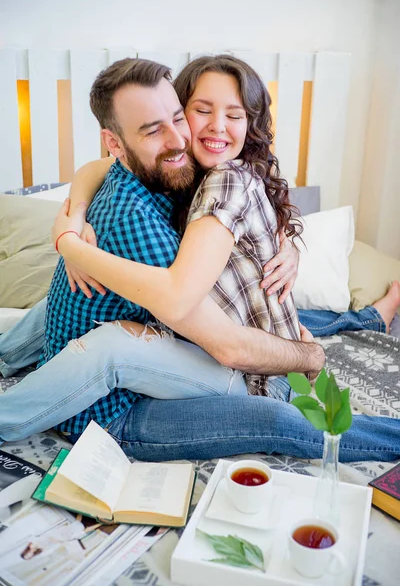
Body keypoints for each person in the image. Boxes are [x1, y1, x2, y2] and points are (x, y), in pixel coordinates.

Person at [0, 57, 398, 463]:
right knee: (274, 411)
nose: (181, 137)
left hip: (210, 333)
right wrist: (71, 244)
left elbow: (96, 168)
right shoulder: (140, 212)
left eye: (177, 118)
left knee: (282, 311)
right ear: (115, 141)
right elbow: (221, 340)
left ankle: (367, 317)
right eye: (200, 112)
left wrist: (289, 245)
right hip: (128, 408)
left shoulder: (176, 166)